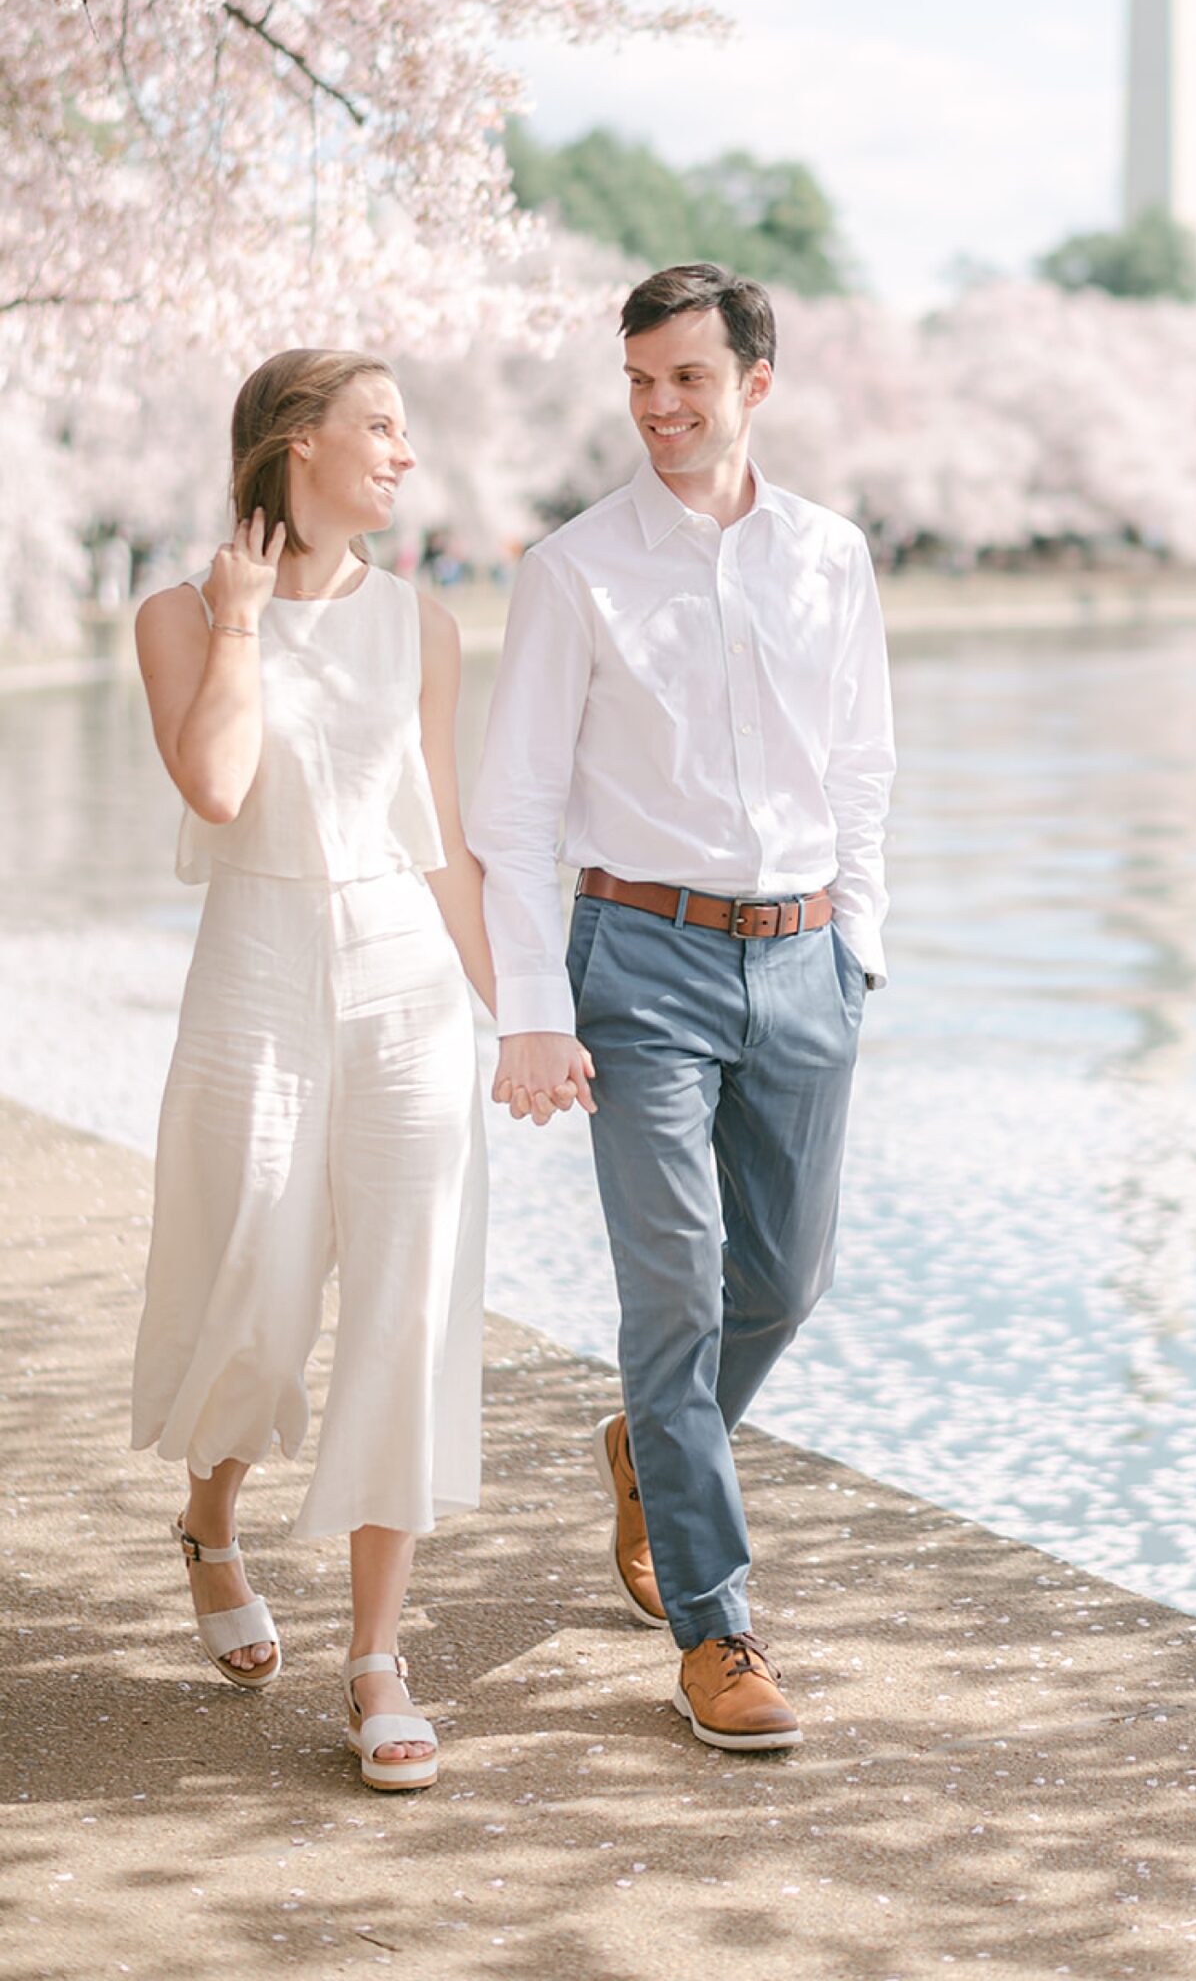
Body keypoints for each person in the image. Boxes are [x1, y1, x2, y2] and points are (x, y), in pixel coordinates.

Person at [468, 263, 894, 1752]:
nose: (659, 408)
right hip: (636, 963)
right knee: (675, 1290)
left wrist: (859, 945)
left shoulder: (830, 556)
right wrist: (532, 1006)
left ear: (754, 384)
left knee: (779, 1285)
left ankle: (650, 1452)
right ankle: (719, 1635)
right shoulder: (574, 568)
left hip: (802, 961)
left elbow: (860, 767)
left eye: (688, 381)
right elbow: (513, 807)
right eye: (640, 382)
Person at [130, 349, 492, 1794]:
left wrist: (520, 1009)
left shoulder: (425, 625)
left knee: (405, 1307)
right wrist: (237, 627)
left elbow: (445, 837)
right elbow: (216, 787)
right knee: (255, 1304)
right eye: (381, 427)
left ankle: (377, 1658)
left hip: (406, 980)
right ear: (297, 443)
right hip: (256, 976)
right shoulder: (179, 612)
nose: (407, 454)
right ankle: (211, 1527)